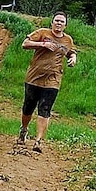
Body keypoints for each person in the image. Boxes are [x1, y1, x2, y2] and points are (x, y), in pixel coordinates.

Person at [18, 12, 77, 150]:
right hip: (34, 77)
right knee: (28, 107)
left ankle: (38, 141)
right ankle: (24, 129)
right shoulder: (43, 33)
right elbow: (25, 44)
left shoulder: (68, 40)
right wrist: (42, 44)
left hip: (53, 80)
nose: (59, 23)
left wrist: (73, 58)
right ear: (52, 22)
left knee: (45, 109)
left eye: (62, 22)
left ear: (65, 25)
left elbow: (71, 51)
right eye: (56, 20)